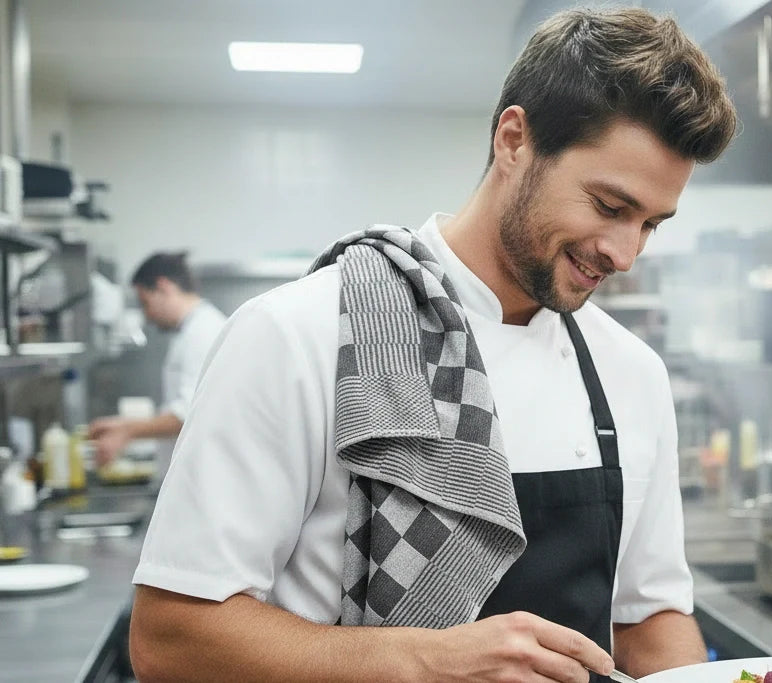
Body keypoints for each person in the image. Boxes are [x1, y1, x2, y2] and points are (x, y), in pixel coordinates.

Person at [129, 8, 737, 683]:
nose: (626, 254)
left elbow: (648, 619)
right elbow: (169, 638)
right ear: (514, 140)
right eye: (608, 206)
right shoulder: (298, 334)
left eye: (651, 224)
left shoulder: (631, 372)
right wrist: (421, 657)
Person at [88, 252, 226, 475]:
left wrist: (128, 431)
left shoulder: (202, 334)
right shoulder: (191, 331)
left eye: (145, 303)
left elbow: (188, 414)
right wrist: (123, 426)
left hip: (200, 475)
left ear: (163, 287)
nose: (147, 316)